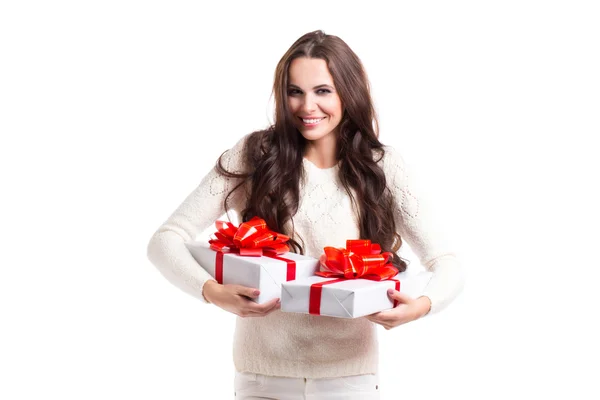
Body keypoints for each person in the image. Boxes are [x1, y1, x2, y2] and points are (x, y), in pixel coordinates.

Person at [147, 30, 464, 400]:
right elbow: (165, 240)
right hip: (261, 378)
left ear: (349, 91)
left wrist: (420, 308)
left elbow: (447, 262)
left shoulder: (382, 166)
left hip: (349, 381)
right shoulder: (254, 155)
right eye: (295, 91)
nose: (307, 107)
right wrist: (213, 293)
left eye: (322, 91)